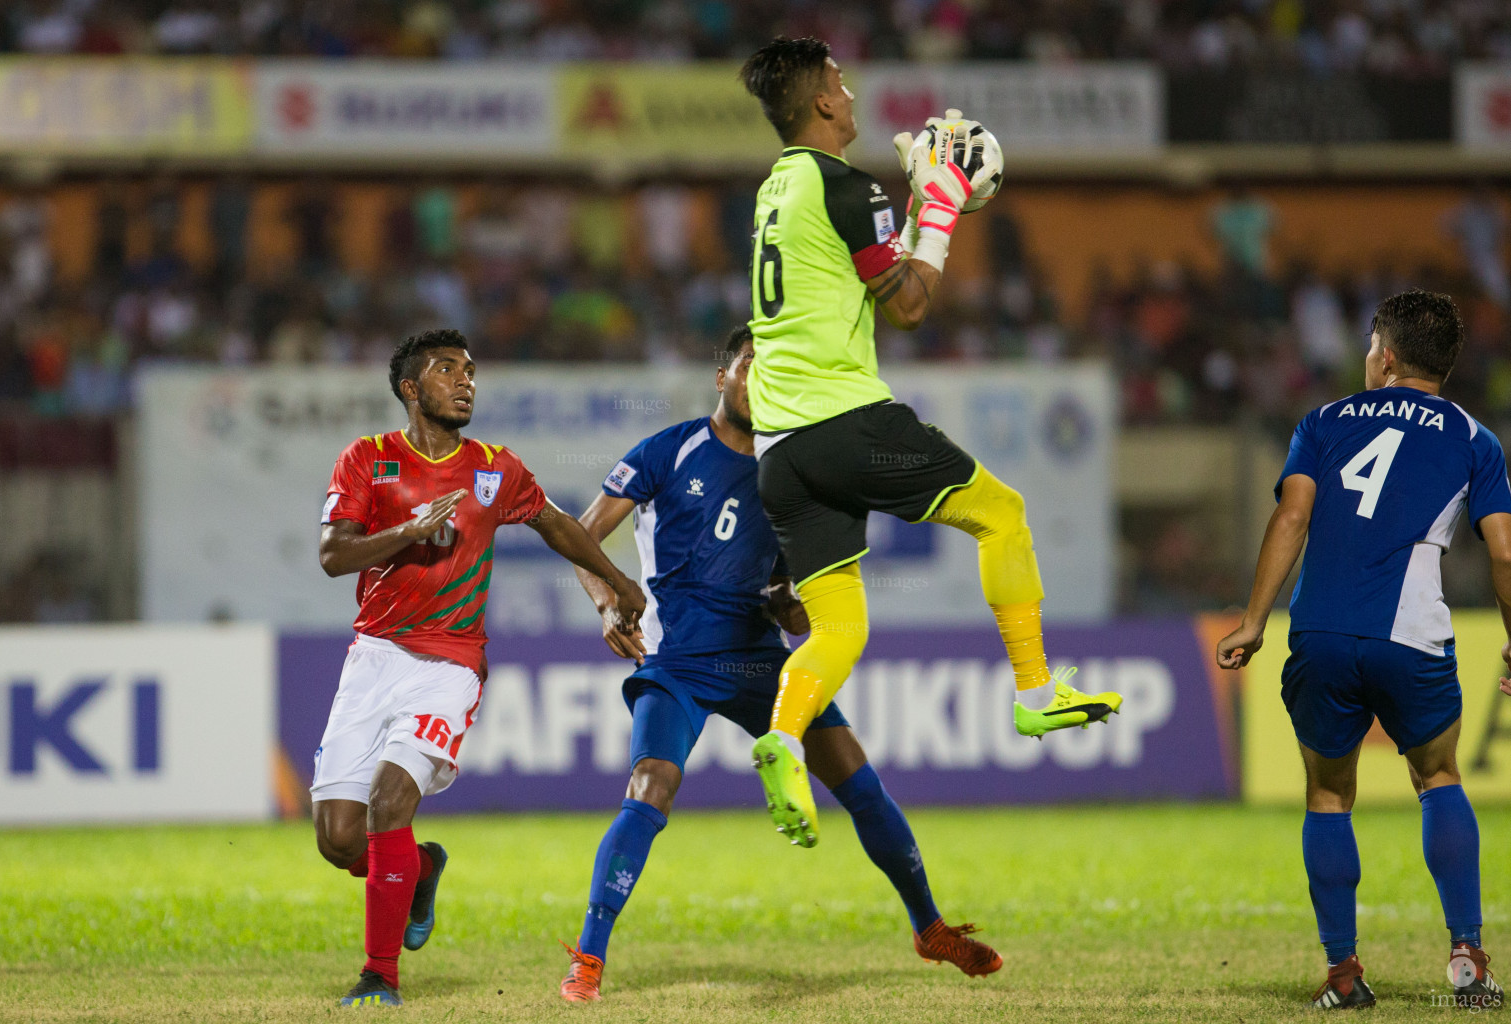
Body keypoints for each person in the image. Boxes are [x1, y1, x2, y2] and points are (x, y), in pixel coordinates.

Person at [736, 36, 1122, 847]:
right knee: (1003, 515)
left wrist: (914, 210)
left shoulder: (776, 190)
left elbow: (868, 277)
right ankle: (1033, 690)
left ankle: (779, 737)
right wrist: (939, 207)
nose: (850, 89)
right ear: (824, 104)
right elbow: (906, 305)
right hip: (843, 419)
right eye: (840, 81)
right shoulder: (845, 185)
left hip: (779, 447)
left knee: (839, 628)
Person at [557, 326, 1002, 1002]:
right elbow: (581, 535)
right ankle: (588, 957)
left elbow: (801, 595)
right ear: (722, 377)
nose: (758, 379)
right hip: (678, 663)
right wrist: (605, 602)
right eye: (747, 365)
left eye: (774, 370)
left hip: (762, 663)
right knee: (651, 786)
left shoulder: (794, 473)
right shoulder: (669, 450)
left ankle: (929, 928)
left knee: (860, 783)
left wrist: (792, 604)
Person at [312, 328, 645, 1007]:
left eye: (469, 370)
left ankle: (379, 976)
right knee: (339, 839)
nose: (465, 381)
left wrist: (613, 580)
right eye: (446, 370)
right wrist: (405, 532)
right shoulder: (367, 459)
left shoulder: (496, 467)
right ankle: (422, 866)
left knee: (387, 803)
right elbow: (332, 555)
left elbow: (555, 523)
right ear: (410, 388)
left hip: (450, 662)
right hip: (373, 657)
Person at [1216, 291, 1510, 1011]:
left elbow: (1292, 514)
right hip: (1408, 634)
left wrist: (1254, 618)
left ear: (1382, 355)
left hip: (1316, 630)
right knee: (1437, 779)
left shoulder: (1322, 421)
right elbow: (1502, 551)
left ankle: (1343, 974)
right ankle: (1466, 952)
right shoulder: (1475, 438)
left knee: (1326, 793)